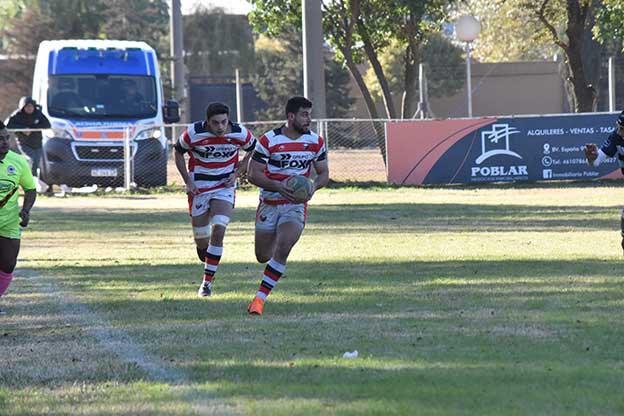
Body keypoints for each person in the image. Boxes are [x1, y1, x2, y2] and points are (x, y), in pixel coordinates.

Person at [246, 96, 329, 315]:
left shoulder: (315, 141)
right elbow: (252, 174)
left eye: (309, 114)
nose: (308, 119)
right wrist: (277, 186)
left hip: (294, 206)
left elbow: (324, 173)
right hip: (269, 203)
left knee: (284, 246)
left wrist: (313, 186)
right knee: (263, 255)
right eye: (304, 114)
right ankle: (273, 265)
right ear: (290, 116)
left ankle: (259, 300)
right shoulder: (269, 141)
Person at [174, 102, 256, 297]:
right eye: (215, 123)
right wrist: (188, 181)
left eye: (223, 122)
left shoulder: (239, 133)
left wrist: (237, 174)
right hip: (199, 188)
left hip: (224, 188)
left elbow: (254, 149)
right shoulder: (193, 133)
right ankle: (207, 255)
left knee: (219, 229)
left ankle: (206, 284)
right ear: (207, 121)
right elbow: (177, 151)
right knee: (202, 242)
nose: (220, 127)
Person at [0, 120, 37, 315]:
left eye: (7, 138)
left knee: (8, 264)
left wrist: (26, 210)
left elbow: (30, 189)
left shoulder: (18, 161)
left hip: (9, 223)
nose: (5, 142)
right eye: (0, 139)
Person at [584, 110, 624, 251]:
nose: (619, 132)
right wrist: (591, 157)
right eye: (619, 127)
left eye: (623, 129)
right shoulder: (616, 137)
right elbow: (596, 162)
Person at [6, 96, 51, 177]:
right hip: (24, 143)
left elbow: (47, 124)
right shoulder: (17, 115)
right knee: (32, 159)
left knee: (38, 161)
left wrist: (32, 128)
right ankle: (31, 179)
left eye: (31, 106)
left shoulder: (38, 114)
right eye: (27, 106)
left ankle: (41, 181)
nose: (29, 108)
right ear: (23, 107)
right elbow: (8, 125)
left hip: (37, 143)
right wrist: (23, 129)